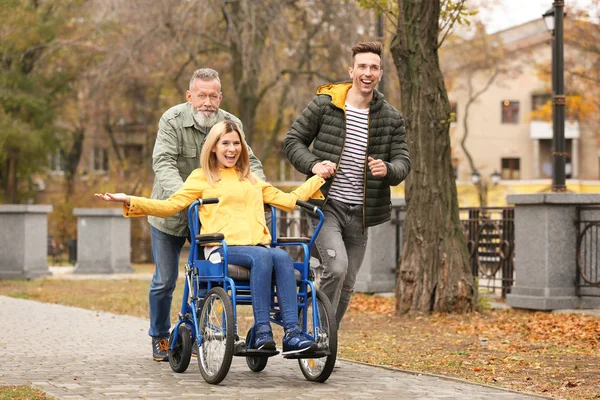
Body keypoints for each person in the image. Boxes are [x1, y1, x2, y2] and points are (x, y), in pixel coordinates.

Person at [96, 120, 326, 356]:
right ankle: (263, 332)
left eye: (237, 143)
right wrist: (129, 200)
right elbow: (170, 206)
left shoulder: (250, 179)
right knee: (264, 256)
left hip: (256, 248)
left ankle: (291, 334)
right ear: (213, 147)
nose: (232, 149)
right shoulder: (201, 177)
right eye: (225, 143)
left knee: (281, 256)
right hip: (221, 250)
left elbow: (288, 201)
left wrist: (318, 179)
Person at [283, 41, 411, 329]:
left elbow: (403, 162)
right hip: (325, 205)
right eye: (362, 66)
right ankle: (307, 330)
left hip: (362, 213)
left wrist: (387, 169)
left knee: (348, 282)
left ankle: (325, 338)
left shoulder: (390, 118)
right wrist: (313, 164)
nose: (368, 72)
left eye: (374, 68)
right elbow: (293, 141)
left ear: (381, 74)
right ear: (351, 70)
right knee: (337, 269)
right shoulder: (325, 104)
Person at [145, 68, 265, 361]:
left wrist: (260, 189)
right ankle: (160, 335)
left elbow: (250, 163)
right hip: (172, 213)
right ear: (190, 96)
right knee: (165, 279)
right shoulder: (172, 120)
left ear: (220, 96)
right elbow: (163, 163)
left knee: (209, 277)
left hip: (212, 217)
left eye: (213, 96)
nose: (207, 102)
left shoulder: (230, 123)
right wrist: (189, 196)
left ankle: (202, 334)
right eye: (202, 95)